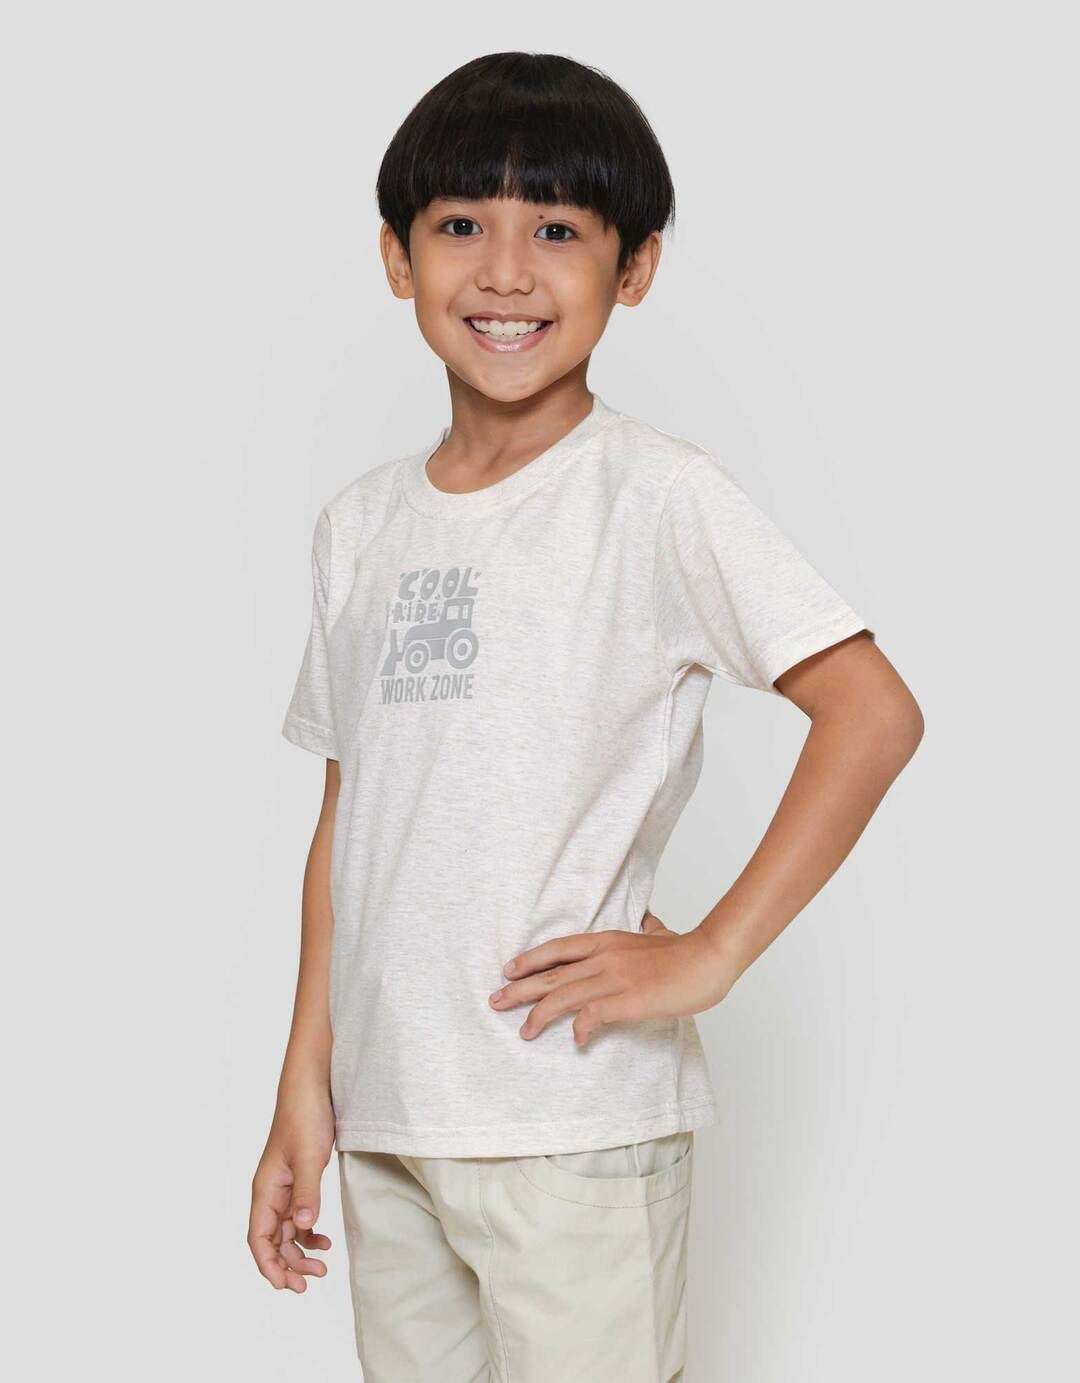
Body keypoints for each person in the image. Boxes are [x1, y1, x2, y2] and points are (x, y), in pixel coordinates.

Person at [247, 51, 924, 1383]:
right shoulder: (359, 528)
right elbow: (349, 821)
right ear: (396, 257)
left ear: (636, 266)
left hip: (570, 1118)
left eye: (557, 230)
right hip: (393, 1120)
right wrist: (304, 1087)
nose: (506, 272)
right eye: (461, 225)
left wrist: (713, 953)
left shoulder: (655, 497)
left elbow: (872, 712)